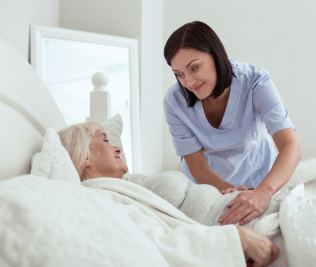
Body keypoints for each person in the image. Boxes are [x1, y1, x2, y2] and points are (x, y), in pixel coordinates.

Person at [57, 121, 280, 267]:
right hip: (253, 233)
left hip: (255, 209)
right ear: (86, 157)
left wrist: (228, 191)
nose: (117, 148)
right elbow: (151, 247)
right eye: (105, 140)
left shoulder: (126, 186)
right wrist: (235, 239)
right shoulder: (101, 200)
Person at [163, 21, 301, 226]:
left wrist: (263, 193)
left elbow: (291, 146)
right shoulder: (175, 101)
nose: (189, 82)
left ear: (215, 55)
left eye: (194, 67)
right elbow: (197, 166)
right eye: (179, 74)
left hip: (259, 181)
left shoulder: (255, 82)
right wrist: (233, 195)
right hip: (206, 186)